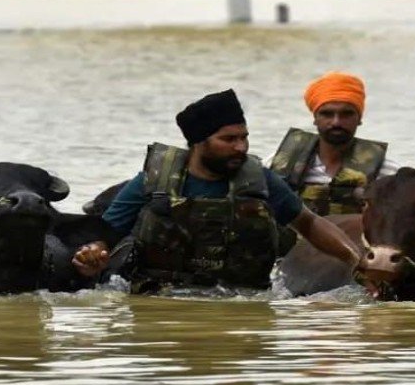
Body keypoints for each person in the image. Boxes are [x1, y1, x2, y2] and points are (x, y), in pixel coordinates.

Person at [71, 89, 362, 291]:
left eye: (244, 137)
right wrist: (93, 254)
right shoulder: (154, 179)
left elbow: (309, 223)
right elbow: (104, 232)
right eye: (229, 139)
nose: (241, 147)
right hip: (161, 297)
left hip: (244, 296)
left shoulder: (259, 179)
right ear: (199, 142)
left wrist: (355, 260)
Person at [268, 71, 398, 215]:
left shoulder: (388, 174)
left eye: (346, 114)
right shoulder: (276, 165)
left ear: (359, 119)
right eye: (327, 114)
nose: (336, 122)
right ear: (315, 118)